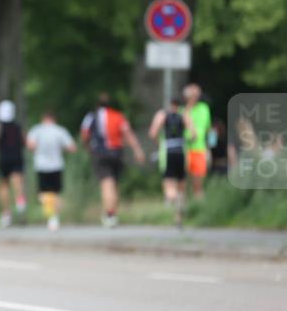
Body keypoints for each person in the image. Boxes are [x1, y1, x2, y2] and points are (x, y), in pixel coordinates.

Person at [80, 93, 145, 228]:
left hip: (100, 153)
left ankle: (109, 214)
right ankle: (113, 213)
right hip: (116, 153)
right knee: (114, 185)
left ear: (97, 105)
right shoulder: (118, 116)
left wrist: (88, 148)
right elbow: (128, 133)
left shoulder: (91, 117)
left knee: (106, 185)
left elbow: (85, 135)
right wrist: (137, 150)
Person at [148, 97, 195, 227]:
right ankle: (179, 216)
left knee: (169, 184)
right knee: (181, 186)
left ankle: (171, 199)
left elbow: (152, 133)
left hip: (167, 151)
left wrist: (160, 143)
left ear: (169, 104)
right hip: (181, 151)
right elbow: (193, 135)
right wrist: (187, 141)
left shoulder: (162, 115)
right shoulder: (184, 115)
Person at [26, 110, 76, 231]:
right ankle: (54, 217)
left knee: (43, 193)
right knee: (55, 193)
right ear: (54, 119)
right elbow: (72, 147)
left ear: (43, 118)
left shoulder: (36, 130)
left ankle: (51, 216)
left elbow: (30, 146)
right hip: (56, 165)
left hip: (41, 165)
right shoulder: (60, 130)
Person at [0, 100, 26, 227]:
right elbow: (24, 141)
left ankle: (6, 214)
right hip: (17, 156)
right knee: (18, 181)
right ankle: (20, 202)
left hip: (4, 157)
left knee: (3, 185)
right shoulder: (17, 125)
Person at [183, 83, 211, 199]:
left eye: (196, 94)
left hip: (200, 149)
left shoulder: (204, 108)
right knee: (183, 181)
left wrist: (210, 148)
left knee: (198, 181)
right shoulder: (182, 110)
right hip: (185, 149)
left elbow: (209, 129)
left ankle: (198, 202)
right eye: (192, 95)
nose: (195, 97)